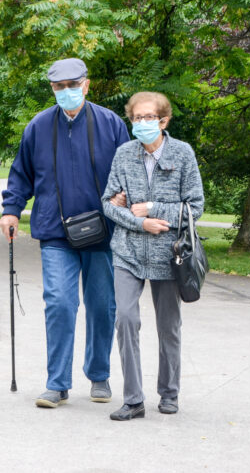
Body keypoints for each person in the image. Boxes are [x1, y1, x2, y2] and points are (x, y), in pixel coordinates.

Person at [0, 58, 130, 408]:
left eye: (74, 85)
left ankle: (99, 374)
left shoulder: (111, 124)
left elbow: (128, 171)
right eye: (60, 87)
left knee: (102, 306)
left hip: (102, 231)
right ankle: (57, 383)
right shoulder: (38, 127)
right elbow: (20, 175)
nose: (67, 92)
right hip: (56, 233)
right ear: (53, 89)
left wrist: (125, 196)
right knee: (59, 302)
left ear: (86, 85)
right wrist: (11, 210)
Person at [101, 91, 204, 421]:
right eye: (136, 118)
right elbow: (108, 203)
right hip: (127, 252)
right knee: (125, 319)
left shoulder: (182, 154)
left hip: (169, 255)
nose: (142, 123)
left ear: (164, 120)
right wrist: (140, 222)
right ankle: (133, 399)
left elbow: (195, 207)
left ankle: (169, 392)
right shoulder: (123, 155)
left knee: (168, 326)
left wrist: (155, 209)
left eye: (149, 117)